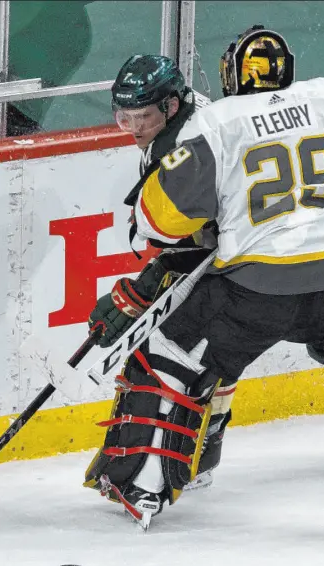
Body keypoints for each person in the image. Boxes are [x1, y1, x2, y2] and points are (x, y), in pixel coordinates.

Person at [87, 26, 324, 529]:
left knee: (169, 363)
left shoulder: (215, 123)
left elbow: (158, 222)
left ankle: (143, 484)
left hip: (254, 290)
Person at [83, 55, 237, 517]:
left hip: (253, 253)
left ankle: (153, 472)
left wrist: (147, 285)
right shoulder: (184, 124)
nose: (132, 127)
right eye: (123, 117)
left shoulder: (190, 143)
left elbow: (209, 230)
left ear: (171, 106)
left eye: (143, 117)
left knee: (171, 351)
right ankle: (203, 452)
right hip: (248, 249)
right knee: (211, 349)